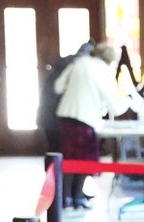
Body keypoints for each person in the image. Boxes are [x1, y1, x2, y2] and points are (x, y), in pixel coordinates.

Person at [52, 42, 126, 210]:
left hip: (65, 116)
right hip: (86, 120)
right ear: (112, 60)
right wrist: (128, 100)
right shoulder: (105, 71)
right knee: (84, 159)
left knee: (68, 159)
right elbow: (116, 107)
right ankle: (77, 197)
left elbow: (58, 87)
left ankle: (66, 198)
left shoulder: (79, 63)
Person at [38, 40, 92, 156]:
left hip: (48, 114)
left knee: (54, 153)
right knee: (65, 155)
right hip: (60, 117)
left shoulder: (66, 65)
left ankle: (51, 173)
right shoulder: (77, 68)